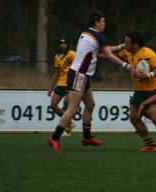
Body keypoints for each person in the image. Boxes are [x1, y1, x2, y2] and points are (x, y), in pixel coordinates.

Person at [47, 10, 133, 151]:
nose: (104, 24)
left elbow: (106, 50)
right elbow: (109, 55)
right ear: (97, 22)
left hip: (83, 75)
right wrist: (127, 66)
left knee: (90, 105)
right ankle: (54, 138)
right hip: (79, 75)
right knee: (72, 108)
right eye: (103, 21)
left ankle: (87, 138)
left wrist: (122, 46)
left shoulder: (87, 33)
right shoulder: (97, 36)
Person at [116, 31, 156, 152]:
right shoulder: (126, 51)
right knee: (134, 118)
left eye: (127, 42)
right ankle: (150, 144)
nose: (125, 44)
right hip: (139, 92)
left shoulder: (148, 53)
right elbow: (107, 52)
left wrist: (149, 75)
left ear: (135, 44)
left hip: (153, 92)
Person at [47, 37, 76, 136]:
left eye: (64, 43)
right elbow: (56, 73)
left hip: (70, 83)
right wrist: (51, 88)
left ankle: (67, 129)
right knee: (53, 105)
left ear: (67, 45)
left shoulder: (72, 54)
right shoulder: (57, 57)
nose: (62, 45)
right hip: (60, 84)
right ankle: (69, 122)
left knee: (67, 105)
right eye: (61, 44)